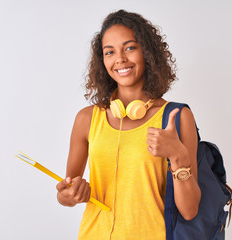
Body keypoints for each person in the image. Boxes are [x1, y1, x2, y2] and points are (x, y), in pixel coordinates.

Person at [56, 9, 201, 240]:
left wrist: (177, 155)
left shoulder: (176, 117)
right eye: (109, 52)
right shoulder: (86, 119)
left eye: (130, 47)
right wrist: (70, 194)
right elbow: (65, 193)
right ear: (102, 60)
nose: (120, 58)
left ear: (147, 52)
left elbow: (190, 210)